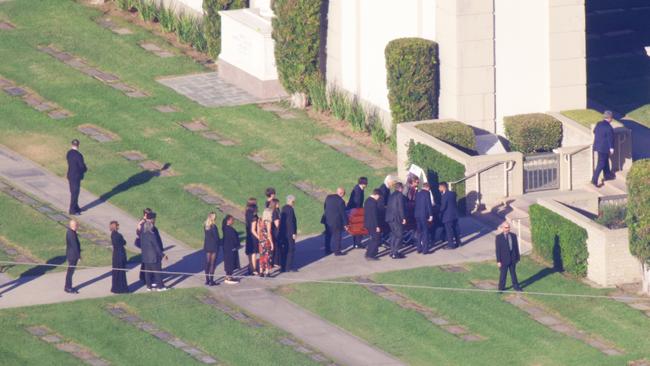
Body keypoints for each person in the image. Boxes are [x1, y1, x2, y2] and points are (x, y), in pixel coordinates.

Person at [140, 216, 166, 291]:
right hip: (154, 257)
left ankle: (148, 286)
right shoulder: (152, 235)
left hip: (146, 257)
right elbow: (157, 247)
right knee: (157, 272)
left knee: (147, 273)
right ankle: (160, 287)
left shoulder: (142, 235)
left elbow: (142, 246)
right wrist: (163, 255)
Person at [591, 110, 616, 187]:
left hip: (598, 146)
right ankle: (594, 180)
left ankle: (607, 175)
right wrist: (611, 148)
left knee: (605, 160)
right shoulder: (609, 127)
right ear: (609, 118)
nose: (612, 119)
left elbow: (594, 131)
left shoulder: (599, 124)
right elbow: (610, 139)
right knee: (601, 164)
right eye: (611, 118)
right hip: (604, 148)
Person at [495, 222, 522, 292]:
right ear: (503, 228)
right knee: (503, 275)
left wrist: (518, 257)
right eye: (506, 228)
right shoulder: (498, 237)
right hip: (503, 260)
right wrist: (498, 261)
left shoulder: (513, 236)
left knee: (513, 274)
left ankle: (516, 287)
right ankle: (501, 288)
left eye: (508, 227)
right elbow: (498, 250)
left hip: (512, 259)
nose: (507, 229)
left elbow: (516, 247)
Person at [322, 187, 348, 256]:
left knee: (328, 235)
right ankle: (337, 251)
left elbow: (325, 207)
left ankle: (327, 250)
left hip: (327, 220)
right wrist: (346, 224)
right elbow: (343, 213)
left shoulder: (328, 197)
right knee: (337, 237)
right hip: (336, 221)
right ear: (342, 193)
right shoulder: (341, 201)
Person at [385, 182, 406, 259]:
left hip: (389, 218)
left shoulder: (392, 195)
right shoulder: (399, 195)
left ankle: (392, 251)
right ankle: (395, 252)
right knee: (399, 235)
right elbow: (400, 207)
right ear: (400, 188)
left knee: (394, 235)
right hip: (396, 218)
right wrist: (403, 218)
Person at [66, 139, 87, 215]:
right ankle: (72, 210)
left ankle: (76, 207)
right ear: (78, 145)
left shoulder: (69, 153)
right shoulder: (79, 155)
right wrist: (85, 169)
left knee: (73, 192)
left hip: (70, 174)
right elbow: (81, 166)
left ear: (72, 144)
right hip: (76, 176)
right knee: (75, 193)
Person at [439, 182, 461, 249]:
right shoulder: (453, 194)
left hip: (448, 216)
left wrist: (439, 211)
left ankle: (451, 245)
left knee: (449, 231)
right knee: (455, 229)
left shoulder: (444, 195)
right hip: (454, 215)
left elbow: (443, 207)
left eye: (439, 187)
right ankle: (458, 242)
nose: (439, 188)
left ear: (443, 187)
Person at [347, 177, 367, 249]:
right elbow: (357, 202)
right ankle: (357, 243)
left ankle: (356, 243)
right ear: (363, 183)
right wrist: (360, 211)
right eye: (366, 183)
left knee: (356, 228)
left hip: (354, 210)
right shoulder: (358, 190)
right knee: (359, 227)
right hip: (356, 211)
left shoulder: (358, 188)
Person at [279, 195, 298, 272]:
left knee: (285, 250)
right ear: (291, 201)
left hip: (284, 232)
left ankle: (283, 266)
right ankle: (288, 267)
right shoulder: (290, 209)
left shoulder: (283, 208)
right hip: (289, 233)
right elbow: (291, 222)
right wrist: (293, 233)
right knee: (291, 249)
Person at [414, 183, 434, 254]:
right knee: (425, 231)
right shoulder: (427, 193)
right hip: (424, 215)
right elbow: (429, 204)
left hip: (417, 215)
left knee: (419, 232)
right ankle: (425, 250)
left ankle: (419, 248)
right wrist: (431, 215)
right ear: (427, 188)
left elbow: (416, 204)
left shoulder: (418, 193)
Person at [110, 221, 128, 294]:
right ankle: (122, 288)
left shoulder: (112, 235)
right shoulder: (118, 235)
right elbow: (124, 242)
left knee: (116, 272)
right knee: (121, 272)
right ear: (116, 227)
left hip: (115, 255)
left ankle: (115, 287)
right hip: (120, 254)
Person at [363, 189, 382, 261]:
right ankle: (370, 254)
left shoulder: (367, 200)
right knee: (375, 239)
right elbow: (374, 215)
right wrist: (377, 226)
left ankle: (368, 253)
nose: (379, 198)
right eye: (379, 197)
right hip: (373, 224)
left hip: (368, 223)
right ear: (376, 195)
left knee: (372, 239)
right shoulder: (373, 202)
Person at [222, 215, 240, 284]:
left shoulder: (225, 228)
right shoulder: (229, 229)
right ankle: (228, 278)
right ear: (228, 221)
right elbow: (234, 238)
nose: (233, 221)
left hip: (228, 248)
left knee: (229, 262)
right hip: (230, 248)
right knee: (230, 263)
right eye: (232, 220)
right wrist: (236, 245)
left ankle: (229, 276)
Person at [135, 208, 152, 283]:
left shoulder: (147, 221)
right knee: (146, 261)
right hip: (144, 243)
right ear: (145, 214)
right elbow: (138, 231)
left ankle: (147, 276)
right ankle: (144, 276)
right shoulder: (142, 222)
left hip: (146, 243)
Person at [203, 212, 220, 286]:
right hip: (213, 246)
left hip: (207, 245)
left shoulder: (206, 226)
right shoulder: (213, 226)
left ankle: (207, 280)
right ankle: (211, 281)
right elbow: (216, 238)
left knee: (207, 263)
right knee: (212, 264)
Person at [257, 205, 275, 277]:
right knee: (267, 256)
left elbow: (258, 232)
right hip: (266, 241)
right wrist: (272, 243)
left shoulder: (259, 220)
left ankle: (261, 271)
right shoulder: (268, 222)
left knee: (261, 256)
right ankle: (267, 272)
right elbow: (269, 234)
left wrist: (260, 239)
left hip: (261, 241)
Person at [64, 220, 81, 294]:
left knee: (70, 272)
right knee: (70, 272)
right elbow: (75, 246)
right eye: (77, 225)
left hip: (71, 255)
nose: (77, 226)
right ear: (74, 226)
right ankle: (68, 287)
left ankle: (68, 286)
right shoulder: (71, 234)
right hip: (73, 256)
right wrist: (78, 256)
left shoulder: (71, 232)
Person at [245, 198, 259, 275]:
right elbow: (253, 230)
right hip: (253, 236)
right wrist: (259, 237)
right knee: (253, 253)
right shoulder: (254, 216)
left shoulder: (247, 212)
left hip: (248, 236)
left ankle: (250, 267)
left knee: (250, 253)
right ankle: (254, 269)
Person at [270, 198, 281, 267]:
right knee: (276, 246)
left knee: (276, 246)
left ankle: (275, 261)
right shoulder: (274, 212)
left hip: (276, 231)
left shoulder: (277, 210)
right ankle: (275, 262)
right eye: (278, 203)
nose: (279, 204)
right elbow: (277, 224)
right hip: (276, 232)